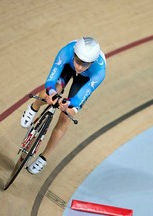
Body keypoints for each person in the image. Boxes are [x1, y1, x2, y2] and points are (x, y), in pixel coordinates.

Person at [21, 37, 106, 174]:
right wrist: (52, 92)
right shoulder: (66, 52)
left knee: (68, 115)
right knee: (55, 90)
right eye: (78, 61)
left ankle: (44, 157)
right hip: (67, 68)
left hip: (84, 81)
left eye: (85, 64)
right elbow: (50, 80)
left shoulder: (99, 72)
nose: (79, 67)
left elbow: (81, 96)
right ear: (74, 55)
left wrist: (69, 103)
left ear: (93, 62)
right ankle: (34, 107)